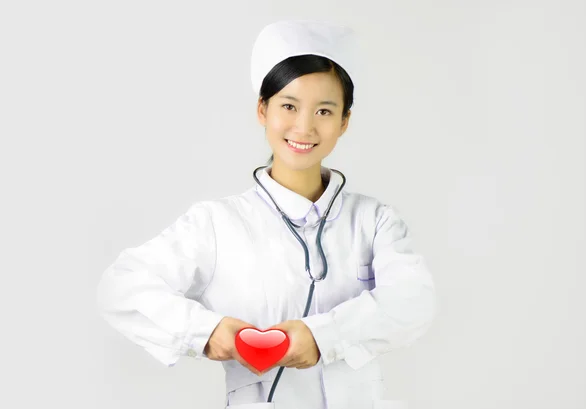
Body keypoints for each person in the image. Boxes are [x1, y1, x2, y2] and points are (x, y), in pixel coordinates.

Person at [96, 20, 437, 409]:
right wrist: (207, 331)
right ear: (263, 109)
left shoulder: (374, 221)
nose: (304, 127)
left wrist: (325, 336)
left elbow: (414, 300)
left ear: (344, 121)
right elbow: (120, 287)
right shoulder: (217, 223)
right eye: (289, 106)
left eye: (325, 111)